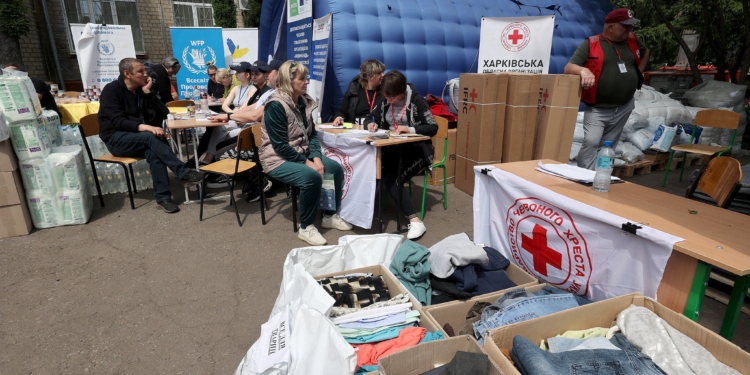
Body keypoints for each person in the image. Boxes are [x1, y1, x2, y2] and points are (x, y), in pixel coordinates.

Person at [259, 61, 353, 245]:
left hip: (300, 152)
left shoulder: (303, 101)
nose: (307, 82)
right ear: (288, 81)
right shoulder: (275, 106)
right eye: (302, 78)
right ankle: (306, 227)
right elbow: (280, 147)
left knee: (334, 168)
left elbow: (312, 135)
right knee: (311, 177)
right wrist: (309, 164)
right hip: (276, 159)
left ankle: (329, 215)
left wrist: (317, 158)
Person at [98, 58, 204, 213]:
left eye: (144, 70)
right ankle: (182, 172)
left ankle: (163, 199)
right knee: (150, 136)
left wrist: (149, 93)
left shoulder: (143, 91)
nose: (145, 74)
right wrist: (145, 127)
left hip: (138, 139)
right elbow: (117, 121)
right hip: (116, 139)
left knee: (154, 151)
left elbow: (165, 113)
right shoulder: (112, 90)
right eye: (140, 71)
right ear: (127, 74)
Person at [564, 8, 650, 170]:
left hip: (624, 105)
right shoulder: (592, 43)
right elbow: (569, 67)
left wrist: (639, 72)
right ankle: (584, 175)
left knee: (609, 144)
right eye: (625, 26)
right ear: (611, 27)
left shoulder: (632, 39)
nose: (629, 30)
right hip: (598, 107)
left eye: (630, 26)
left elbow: (646, 52)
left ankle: (601, 175)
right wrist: (584, 70)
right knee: (591, 141)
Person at [363, 70, 437, 240]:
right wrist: (370, 125)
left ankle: (416, 221)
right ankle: (364, 211)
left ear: (402, 92)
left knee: (392, 178)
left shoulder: (418, 101)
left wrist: (409, 129)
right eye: (386, 97)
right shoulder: (385, 97)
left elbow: (433, 128)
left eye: (393, 98)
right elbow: (370, 116)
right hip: (391, 148)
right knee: (369, 166)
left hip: (417, 151)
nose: (388, 101)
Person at [207, 59, 284, 200]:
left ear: (280, 75)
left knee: (222, 154)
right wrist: (227, 116)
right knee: (220, 146)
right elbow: (252, 108)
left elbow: (255, 114)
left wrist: (229, 116)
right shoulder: (269, 91)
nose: (264, 76)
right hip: (258, 134)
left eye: (267, 72)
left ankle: (259, 182)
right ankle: (251, 180)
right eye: (264, 72)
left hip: (269, 140)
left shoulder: (276, 93)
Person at [333, 59, 386, 126]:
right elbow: (341, 111)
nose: (383, 75)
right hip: (355, 129)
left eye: (383, 72)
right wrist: (339, 117)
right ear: (369, 76)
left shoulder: (385, 91)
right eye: (379, 73)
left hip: (376, 129)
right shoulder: (354, 90)